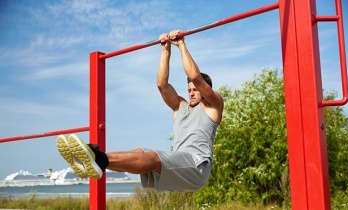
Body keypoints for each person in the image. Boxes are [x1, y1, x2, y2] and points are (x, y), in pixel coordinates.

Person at [56, 29, 224, 191]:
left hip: (197, 167)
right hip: (180, 168)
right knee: (140, 152)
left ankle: (98, 157)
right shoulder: (180, 107)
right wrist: (165, 51)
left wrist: (180, 44)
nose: (192, 93)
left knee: (153, 157)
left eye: (196, 90)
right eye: (189, 90)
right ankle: (97, 162)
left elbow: (195, 76)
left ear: (205, 90)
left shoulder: (213, 107)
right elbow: (162, 85)